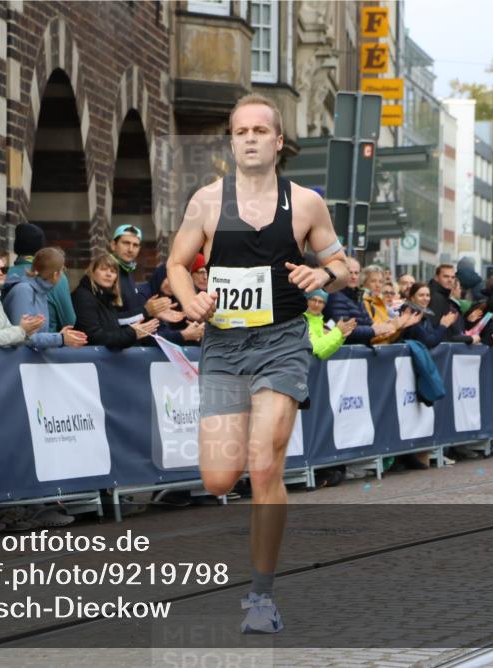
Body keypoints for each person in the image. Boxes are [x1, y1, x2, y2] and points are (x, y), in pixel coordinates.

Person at [165, 93, 351, 634]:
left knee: (265, 465)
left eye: (258, 130)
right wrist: (189, 299)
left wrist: (325, 275)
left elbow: (343, 263)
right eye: (239, 131)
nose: (248, 138)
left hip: (282, 342)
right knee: (220, 478)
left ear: (277, 141)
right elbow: (177, 265)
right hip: (224, 346)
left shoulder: (307, 204)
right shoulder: (205, 201)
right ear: (232, 141)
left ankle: (261, 596)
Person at [3, 246, 87, 350]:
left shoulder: (41, 291)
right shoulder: (23, 290)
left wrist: (59, 336)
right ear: (56, 275)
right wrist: (60, 338)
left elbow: (37, 336)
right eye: (62, 270)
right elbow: (23, 337)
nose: (62, 274)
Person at [111, 224, 185, 339]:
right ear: (113, 245)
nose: (130, 249)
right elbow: (108, 320)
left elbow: (130, 314)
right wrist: (146, 311)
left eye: (135, 245)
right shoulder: (108, 273)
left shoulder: (127, 271)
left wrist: (151, 312)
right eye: (126, 243)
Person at [72, 253, 158, 350]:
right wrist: (132, 334)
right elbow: (93, 336)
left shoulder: (105, 297)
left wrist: (144, 313)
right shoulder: (83, 296)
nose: (108, 274)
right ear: (92, 272)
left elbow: (115, 322)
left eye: (113, 271)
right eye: (103, 269)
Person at [6, 222, 76, 332]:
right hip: (45, 345)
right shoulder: (56, 276)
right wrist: (59, 338)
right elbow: (69, 321)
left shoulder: (3, 274)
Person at [324, 258, 399, 345]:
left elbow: (368, 322)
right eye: (350, 272)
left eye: (356, 273)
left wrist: (385, 328)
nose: (353, 276)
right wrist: (375, 330)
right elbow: (345, 329)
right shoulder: (335, 295)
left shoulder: (357, 295)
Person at [401, 282, 456, 349]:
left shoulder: (424, 315)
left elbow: (432, 336)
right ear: (412, 298)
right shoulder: (411, 315)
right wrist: (443, 325)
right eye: (421, 295)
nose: (425, 298)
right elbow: (430, 341)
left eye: (428, 295)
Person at [303, 289, 354, 360]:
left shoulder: (323, 324)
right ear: (306, 301)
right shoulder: (302, 322)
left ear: (324, 305)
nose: (316, 304)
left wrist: (341, 336)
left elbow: (323, 354)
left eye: (321, 302)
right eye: (313, 300)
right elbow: (315, 348)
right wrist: (338, 332)